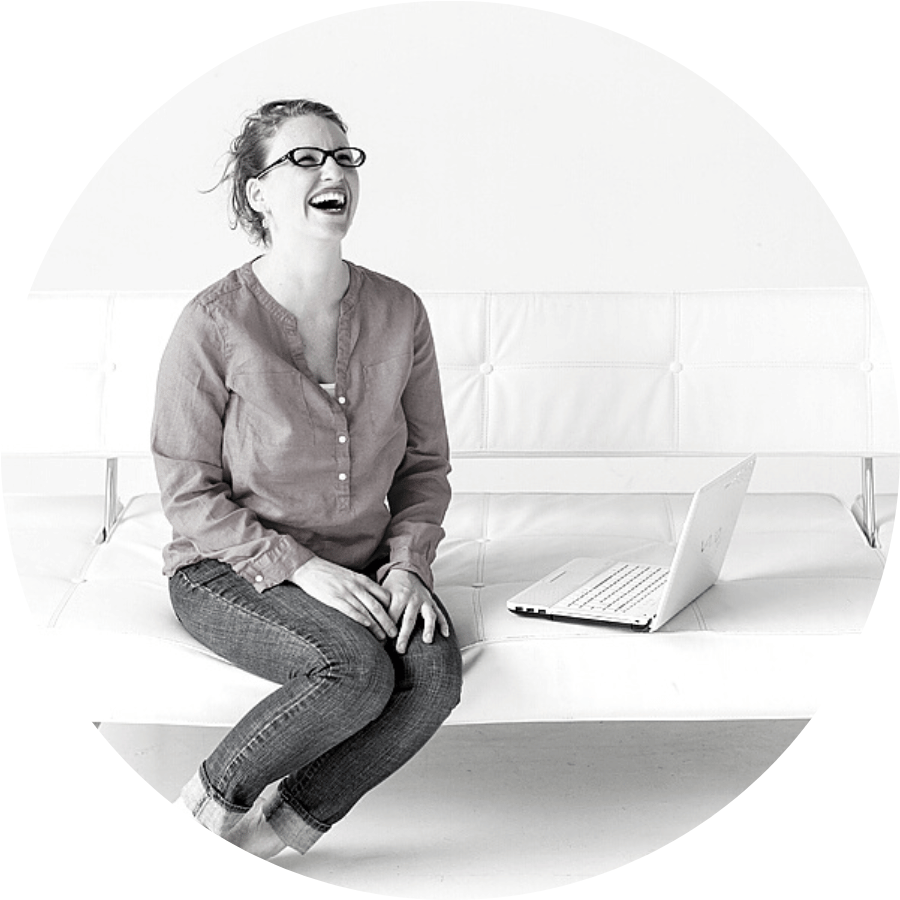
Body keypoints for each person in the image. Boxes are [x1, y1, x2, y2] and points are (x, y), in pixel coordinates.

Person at [151, 98, 462, 859]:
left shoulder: (400, 310)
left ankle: (269, 843)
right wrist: (302, 567)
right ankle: (195, 829)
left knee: (430, 674)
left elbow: (424, 467)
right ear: (259, 193)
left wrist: (408, 565)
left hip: (363, 566)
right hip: (228, 569)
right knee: (353, 669)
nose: (334, 171)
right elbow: (187, 492)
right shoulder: (213, 322)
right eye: (306, 158)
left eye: (344, 157)